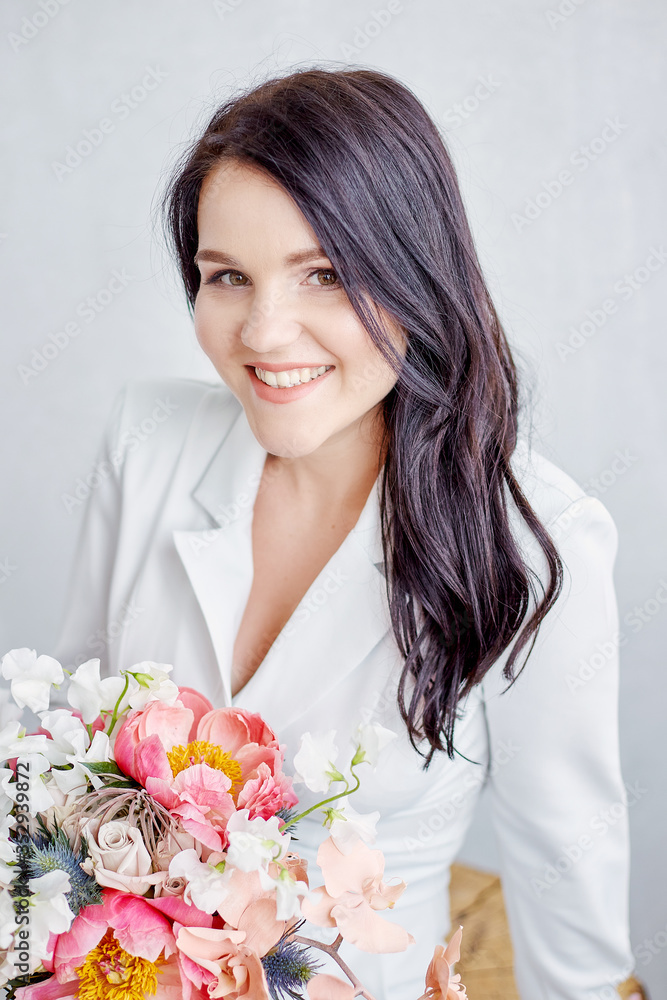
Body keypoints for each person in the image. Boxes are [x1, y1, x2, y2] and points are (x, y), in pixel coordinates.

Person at [51, 67, 634, 998]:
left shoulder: (534, 534)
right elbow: (55, 761)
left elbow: (566, 887)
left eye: (325, 274)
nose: (266, 331)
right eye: (227, 277)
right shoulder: (146, 440)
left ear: (415, 275)